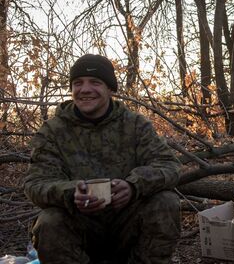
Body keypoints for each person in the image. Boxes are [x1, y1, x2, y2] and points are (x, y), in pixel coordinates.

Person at [24, 54, 181, 264]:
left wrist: (134, 186)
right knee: (48, 222)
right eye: (77, 83)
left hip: (127, 225)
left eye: (95, 82)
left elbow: (170, 166)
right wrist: (72, 194)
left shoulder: (135, 125)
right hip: (80, 228)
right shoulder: (53, 131)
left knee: (166, 202)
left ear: (110, 89)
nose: (85, 89)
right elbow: (36, 184)